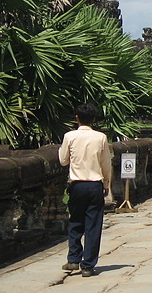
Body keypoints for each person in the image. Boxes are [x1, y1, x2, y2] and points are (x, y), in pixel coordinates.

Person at [58, 103, 112, 277]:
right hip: (95, 183)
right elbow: (106, 164)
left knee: (75, 221)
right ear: (93, 119)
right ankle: (88, 264)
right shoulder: (100, 137)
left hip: (77, 183)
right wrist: (106, 184)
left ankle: (73, 258)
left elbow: (63, 160)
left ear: (77, 118)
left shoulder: (70, 136)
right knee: (93, 225)